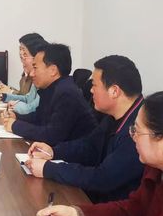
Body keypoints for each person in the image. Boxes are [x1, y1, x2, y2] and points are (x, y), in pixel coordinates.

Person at [25, 55, 144, 202]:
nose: (91, 91)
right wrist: (53, 151)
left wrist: (48, 169)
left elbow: (102, 178)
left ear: (114, 91)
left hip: (112, 207)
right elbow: (88, 146)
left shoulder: (137, 131)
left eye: (94, 85)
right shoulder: (114, 116)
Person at [2, 43, 95, 144]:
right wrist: (16, 117)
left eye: (35, 68)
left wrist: (15, 126)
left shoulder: (67, 93)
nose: (32, 74)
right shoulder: (50, 88)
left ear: (53, 70)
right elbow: (39, 117)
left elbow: (52, 135)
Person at [0, 34, 47, 115]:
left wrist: (15, 105)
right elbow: (27, 98)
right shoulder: (33, 75)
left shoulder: (43, 80)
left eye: (25, 54)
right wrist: (3, 96)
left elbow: (32, 109)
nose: (21, 57)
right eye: (20, 53)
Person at [0, 32, 45, 98]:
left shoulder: (39, 76)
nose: (21, 55)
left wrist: (10, 92)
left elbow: (27, 100)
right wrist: (9, 89)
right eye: (20, 49)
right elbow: (24, 94)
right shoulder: (26, 72)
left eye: (25, 53)